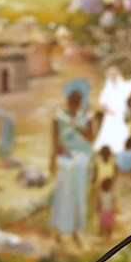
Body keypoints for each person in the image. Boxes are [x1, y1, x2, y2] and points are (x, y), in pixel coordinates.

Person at [50, 79, 96, 247]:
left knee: (78, 195)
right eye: (72, 101)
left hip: (81, 160)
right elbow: (55, 142)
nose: (75, 105)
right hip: (65, 160)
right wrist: (52, 163)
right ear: (68, 100)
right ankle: (59, 232)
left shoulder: (86, 117)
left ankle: (76, 231)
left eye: (78, 102)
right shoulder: (59, 117)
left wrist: (78, 126)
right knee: (63, 196)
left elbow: (91, 138)